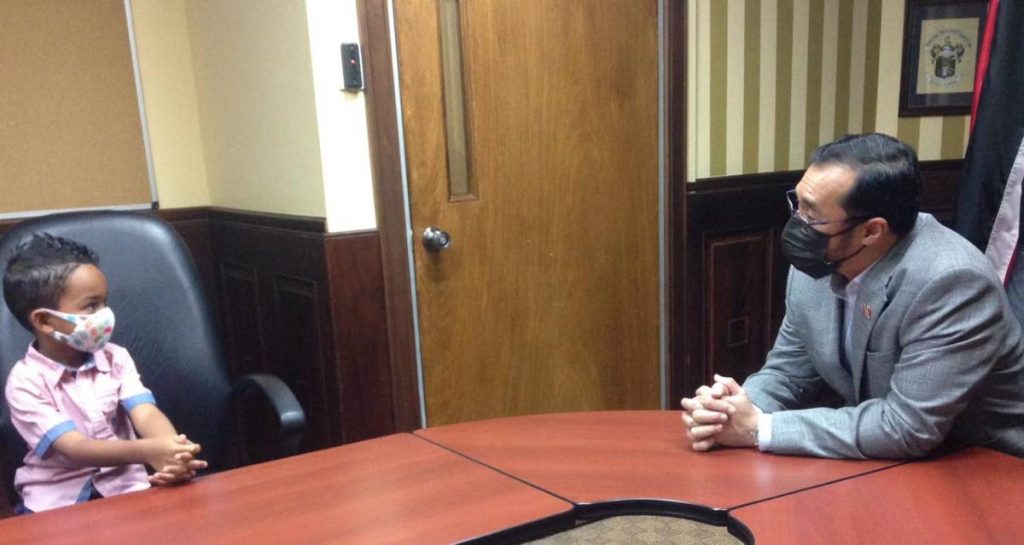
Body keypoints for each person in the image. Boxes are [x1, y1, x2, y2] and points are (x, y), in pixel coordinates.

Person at [681, 133, 1024, 459]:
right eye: (796, 204)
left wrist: (760, 428)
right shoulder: (819, 259)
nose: (798, 223)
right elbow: (789, 373)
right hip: (884, 453)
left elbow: (906, 426)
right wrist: (731, 410)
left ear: (871, 231)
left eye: (811, 215)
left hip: (982, 462)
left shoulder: (952, 282)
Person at [2, 234, 207, 513]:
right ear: (44, 321)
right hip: (56, 502)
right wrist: (150, 450)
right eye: (91, 305)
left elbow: (145, 413)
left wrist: (172, 452)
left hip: (127, 488)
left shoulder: (116, 357)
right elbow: (75, 447)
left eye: (104, 302)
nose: (106, 313)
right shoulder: (25, 381)